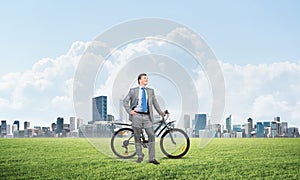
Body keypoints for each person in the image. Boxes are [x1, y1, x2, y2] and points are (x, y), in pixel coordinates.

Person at [123, 73, 165, 164]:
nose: (147, 79)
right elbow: (125, 101)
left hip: (147, 117)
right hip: (136, 116)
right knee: (137, 137)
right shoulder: (133, 90)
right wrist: (130, 111)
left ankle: (152, 158)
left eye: (147, 78)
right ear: (139, 80)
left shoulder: (150, 91)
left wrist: (161, 113)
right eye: (145, 78)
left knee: (151, 135)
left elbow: (155, 103)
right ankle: (140, 156)